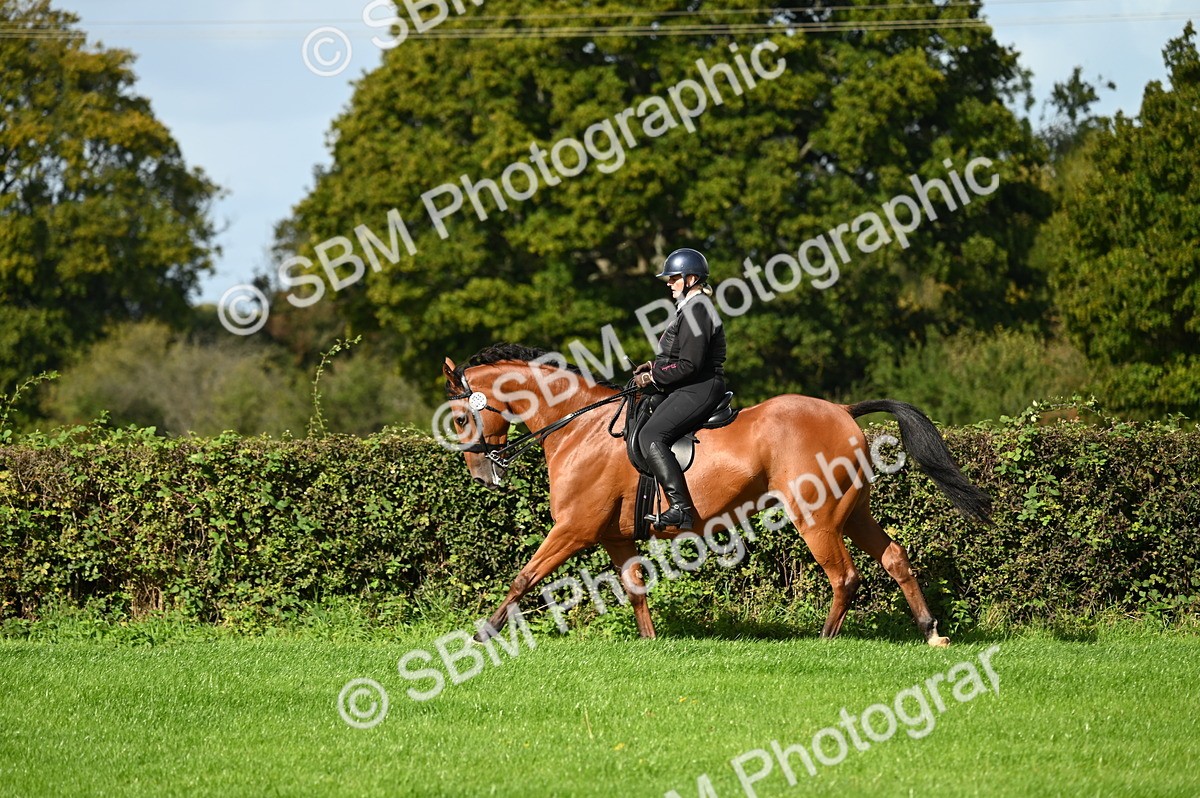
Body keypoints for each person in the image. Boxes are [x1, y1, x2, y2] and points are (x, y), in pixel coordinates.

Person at [632, 247, 727, 531]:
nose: (668, 283)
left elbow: (689, 365)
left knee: (651, 434)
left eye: (673, 278)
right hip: (690, 383)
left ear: (691, 278)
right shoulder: (689, 308)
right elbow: (679, 356)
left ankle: (680, 508)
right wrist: (653, 367)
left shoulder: (698, 309)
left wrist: (653, 377)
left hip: (700, 386)